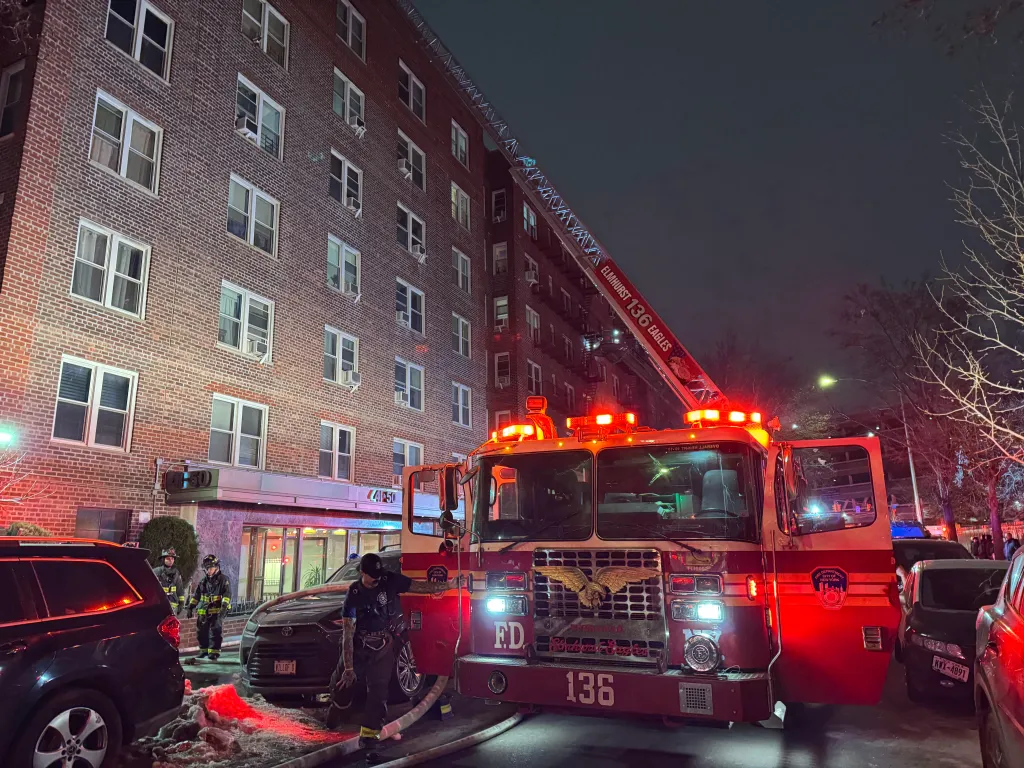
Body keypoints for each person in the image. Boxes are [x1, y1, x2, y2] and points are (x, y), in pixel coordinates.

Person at [328, 553, 465, 752]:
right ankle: (337, 712)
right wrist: (349, 667)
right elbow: (348, 632)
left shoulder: (389, 580)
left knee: (378, 692)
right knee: (341, 682)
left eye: (378, 575)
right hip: (358, 645)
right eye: (372, 576)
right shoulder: (354, 594)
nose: (376, 580)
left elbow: (419, 587)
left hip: (382, 645)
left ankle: (369, 739)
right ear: (362, 573)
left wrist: (449, 585)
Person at [187, 554, 231, 661]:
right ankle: (203, 650)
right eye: (207, 568)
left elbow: (227, 595)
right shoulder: (203, 581)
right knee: (201, 632)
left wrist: (224, 607)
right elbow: (197, 595)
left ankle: (214, 652)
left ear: (216, 567)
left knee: (215, 632)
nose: (209, 570)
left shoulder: (223, 580)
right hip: (203, 611)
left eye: (211, 568)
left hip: (217, 611)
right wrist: (190, 607)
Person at [153, 547, 185, 615]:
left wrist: (181, 603)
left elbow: (180, 589)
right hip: (159, 605)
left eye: (172, 558)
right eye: (168, 558)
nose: (171, 560)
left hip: (173, 606)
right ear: (163, 559)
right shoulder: (156, 572)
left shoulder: (176, 573)